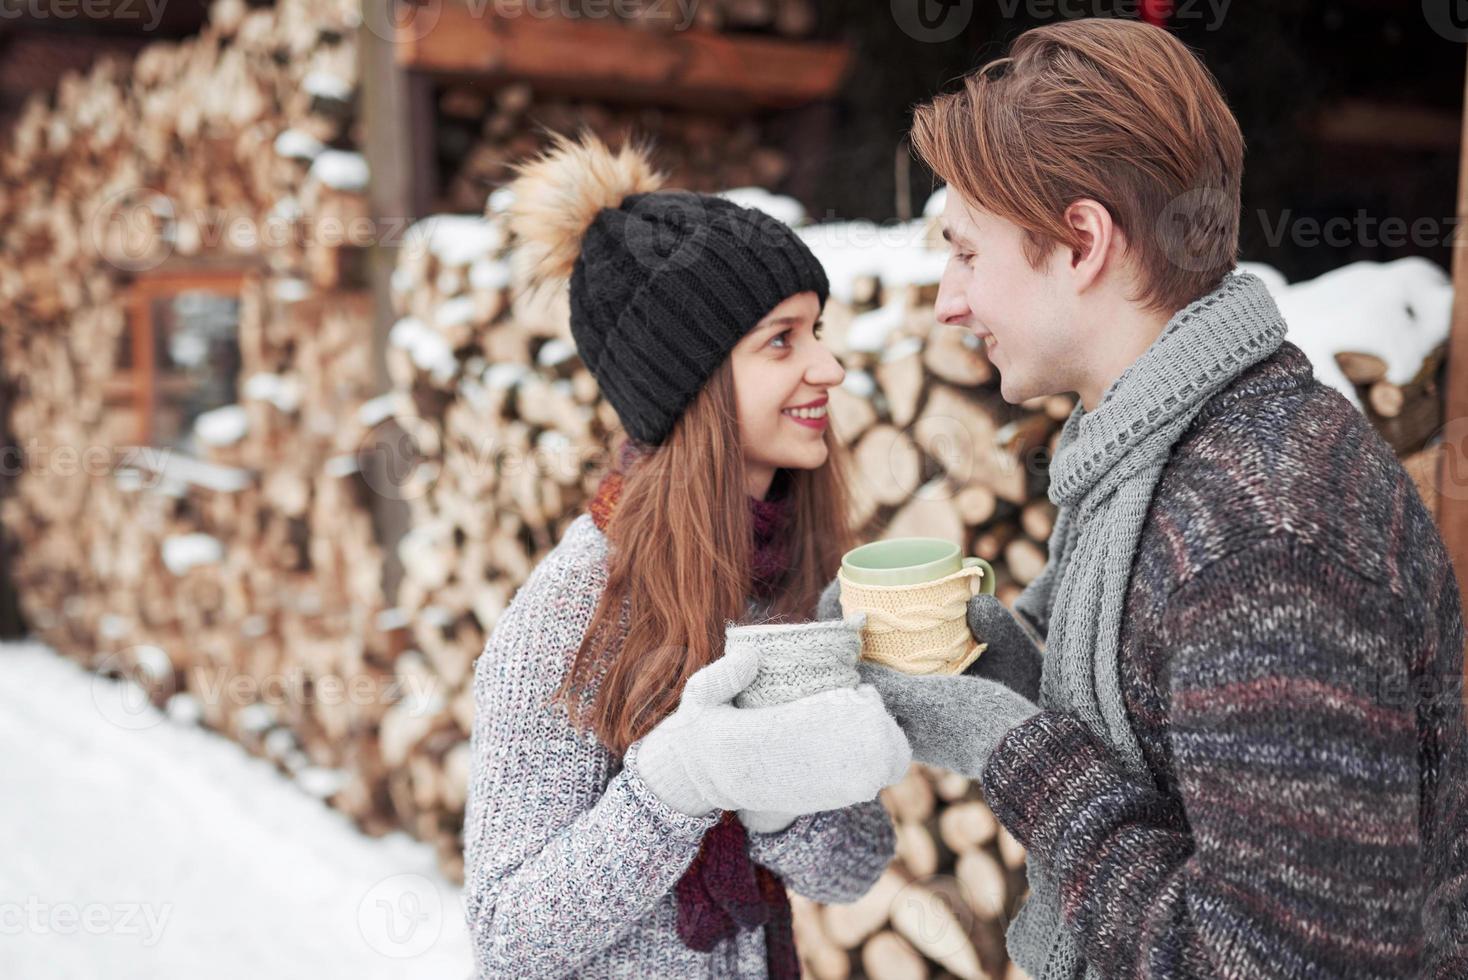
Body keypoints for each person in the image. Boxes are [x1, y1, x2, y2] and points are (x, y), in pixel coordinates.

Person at [822, 18, 1468, 979]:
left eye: (964, 252)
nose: (949, 301)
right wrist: (996, 666)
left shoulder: (1262, 529)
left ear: (1081, 242)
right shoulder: (1148, 448)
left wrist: (1018, 750)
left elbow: (1288, 962)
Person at [461, 132, 911, 979]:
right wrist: (677, 782)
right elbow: (507, 938)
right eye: (782, 341)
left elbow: (856, 868)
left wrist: (779, 799)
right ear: (694, 383)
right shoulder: (575, 610)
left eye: (818, 330)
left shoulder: (784, 576)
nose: (831, 366)